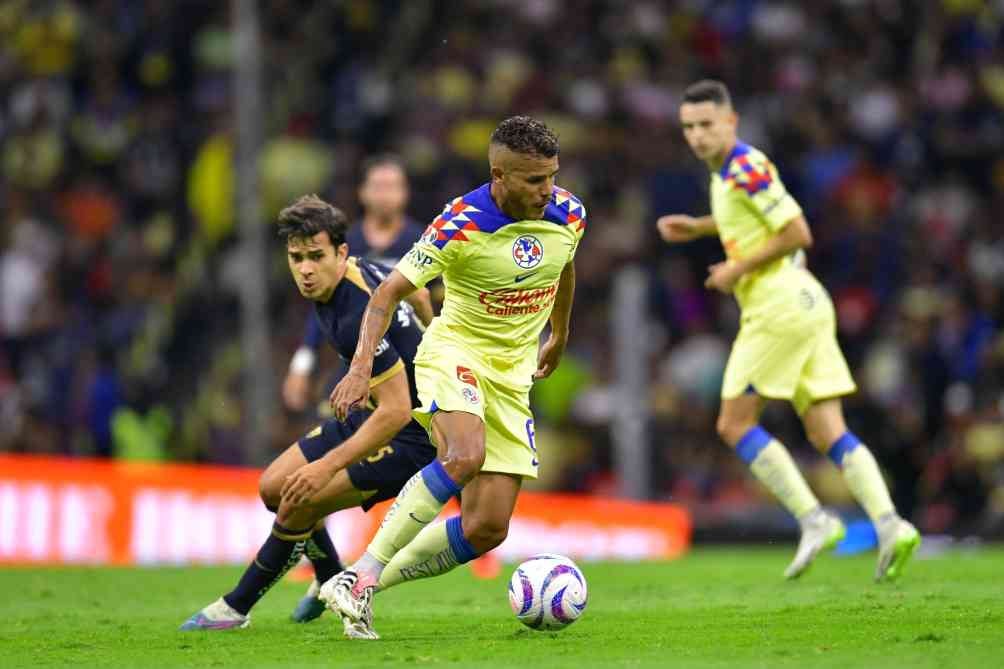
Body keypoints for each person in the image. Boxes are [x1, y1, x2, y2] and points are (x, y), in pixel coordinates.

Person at [321, 115, 585, 638]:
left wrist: (560, 333)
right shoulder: (459, 223)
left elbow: (564, 265)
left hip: (513, 375)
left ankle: (359, 584)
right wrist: (359, 368)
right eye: (534, 180)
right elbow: (387, 293)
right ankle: (362, 572)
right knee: (464, 455)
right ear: (499, 175)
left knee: (487, 528)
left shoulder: (569, 213)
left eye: (552, 176)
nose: (547, 190)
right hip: (454, 351)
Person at [656, 80, 919, 581]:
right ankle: (891, 524)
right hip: (805, 300)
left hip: (777, 305)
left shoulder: (745, 165)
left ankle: (814, 519)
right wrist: (699, 226)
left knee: (733, 423)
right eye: (688, 127)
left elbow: (798, 232)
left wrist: (735, 270)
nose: (696, 135)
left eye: (706, 124)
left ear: (731, 122)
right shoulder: (727, 174)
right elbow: (753, 221)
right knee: (826, 429)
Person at [181, 195, 436, 635]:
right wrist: (430, 337)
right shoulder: (357, 273)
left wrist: (326, 467)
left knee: (300, 498)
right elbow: (419, 289)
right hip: (370, 415)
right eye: (296, 258)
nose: (304, 269)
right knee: (272, 488)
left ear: (340, 252)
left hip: (409, 435)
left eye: (316, 256)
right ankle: (326, 574)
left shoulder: (358, 307)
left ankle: (235, 607)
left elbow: (395, 411)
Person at [282, 155, 428, 413]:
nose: (385, 195)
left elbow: (430, 298)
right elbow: (322, 307)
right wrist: (302, 365)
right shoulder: (339, 243)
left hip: (412, 353)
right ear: (363, 192)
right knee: (331, 415)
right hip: (359, 355)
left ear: (405, 193)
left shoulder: (423, 241)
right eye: (378, 187)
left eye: (392, 186)